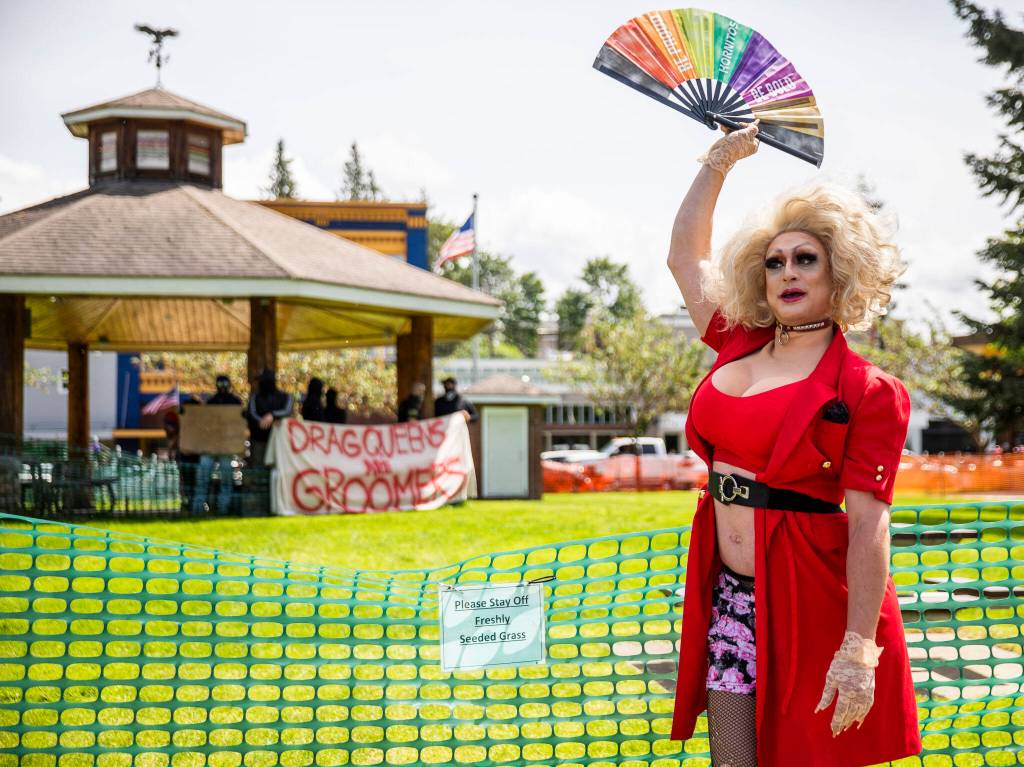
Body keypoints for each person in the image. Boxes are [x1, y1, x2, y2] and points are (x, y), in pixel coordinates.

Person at [666, 121, 921, 766]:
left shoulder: (868, 389)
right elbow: (683, 257)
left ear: (843, 270)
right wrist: (717, 162)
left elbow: (869, 524)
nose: (787, 272)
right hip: (730, 591)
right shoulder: (737, 339)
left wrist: (859, 648)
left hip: (814, 597)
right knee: (732, 757)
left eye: (805, 258)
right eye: (774, 260)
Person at [192, 375, 241, 515]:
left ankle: (221, 510)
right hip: (213, 446)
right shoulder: (213, 402)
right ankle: (199, 510)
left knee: (223, 482)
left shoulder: (233, 402)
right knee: (203, 480)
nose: (223, 386)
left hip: (225, 446)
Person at [244, 369, 293, 466]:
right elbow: (252, 413)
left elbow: (287, 411)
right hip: (258, 439)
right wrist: (262, 421)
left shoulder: (285, 396)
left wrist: (272, 415)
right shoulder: (255, 396)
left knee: (276, 468)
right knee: (258, 467)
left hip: (278, 440)